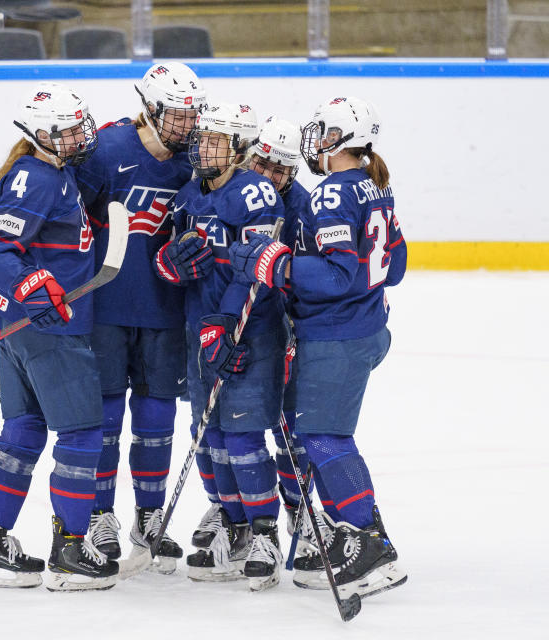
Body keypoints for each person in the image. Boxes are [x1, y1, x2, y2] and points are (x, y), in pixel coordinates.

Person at [228, 96, 407, 598]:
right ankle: (362, 537)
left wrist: (275, 264)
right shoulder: (375, 188)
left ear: (343, 140)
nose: (316, 141)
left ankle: (369, 542)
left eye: (325, 132)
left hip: (336, 336)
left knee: (324, 439)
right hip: (365, 329)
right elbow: (395, 265)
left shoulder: (331, 194)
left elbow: (335, 274)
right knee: (318, 437)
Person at [0, 82, 119, 592]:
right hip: (52, 330)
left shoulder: (56, 172)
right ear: (42, 134)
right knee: (81, 435)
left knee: (25, 430)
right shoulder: (35, 179)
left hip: (23, 328)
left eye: (82, 124)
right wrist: (32, 283)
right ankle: (71, 552)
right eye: (71, 129)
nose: (82, 135)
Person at [73, 62, 209, 575]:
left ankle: (149, 518)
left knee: (157, 421)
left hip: (165, 312)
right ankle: (99, 516)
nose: (188, 125)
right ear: (149, 109)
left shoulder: (193, 163)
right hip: (104, 310)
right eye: (178, 115)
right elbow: (69, 225)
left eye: (192, 115)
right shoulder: (104, 152)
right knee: (105, 420)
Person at [165, 102, 288, 591]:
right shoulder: (188, 195)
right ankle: (235, 526)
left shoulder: (257, 195)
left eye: (214, 140)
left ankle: (264, 534)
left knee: (241, 439)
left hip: (249, 333)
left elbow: (254, 271)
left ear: (239, 147)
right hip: (202, 332)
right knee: (208, 435)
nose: (201, 146)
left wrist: (224, 323)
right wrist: (168, 266)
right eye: (201, 138)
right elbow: (173, 258)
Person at [243, 115, 326, 558]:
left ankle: (299, 507)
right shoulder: (233, 189)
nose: (271, 176)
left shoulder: (306, 207)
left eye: (282, 170)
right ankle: (240, 517)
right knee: (239, 427)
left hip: (286, 324)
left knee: (292, 426)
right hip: (240, 324)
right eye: (264, 163)